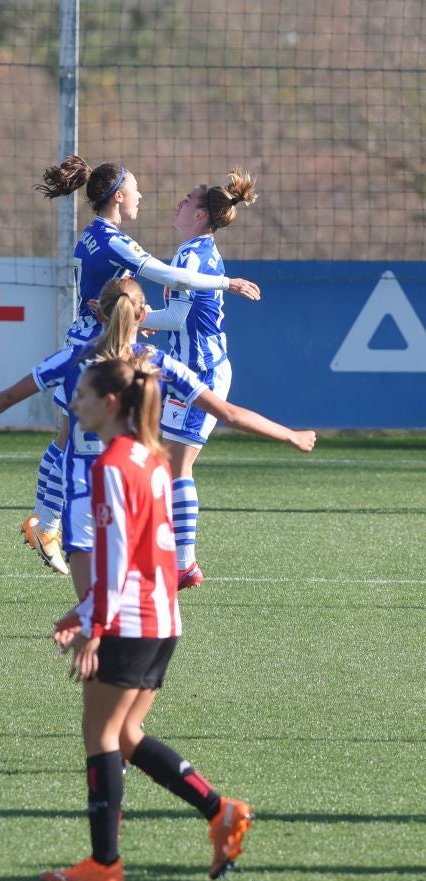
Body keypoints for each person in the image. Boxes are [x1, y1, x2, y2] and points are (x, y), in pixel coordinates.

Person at [0, 278, 316, 600]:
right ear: (144, 316)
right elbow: (229, 413)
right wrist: (290, 435)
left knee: (95, 614)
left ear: (100, 311)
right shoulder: (157, 363)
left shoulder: (72, 359)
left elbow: (3, 399)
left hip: (83, 500)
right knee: (133, 614)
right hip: (136, 499)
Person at [39, 357, 253, 881]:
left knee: (102, 733)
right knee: (127, 731)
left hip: (129, 618)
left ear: (111, 403)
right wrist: (82, 611)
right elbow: (139, 551)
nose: (75, 403)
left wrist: (94, 626)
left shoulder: (110, 464)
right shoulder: (151, 457)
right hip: (162, 618)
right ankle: (219, 811)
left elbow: (112, 557)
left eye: (84, 395)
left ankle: (105, 863)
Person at [22, 156, 262, 567]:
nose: (141, 196)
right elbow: (172, 277)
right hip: (97, 348)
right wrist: (227, 282)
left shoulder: (93, 235)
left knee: (79, 438)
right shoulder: (115, 239)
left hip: (95, 339)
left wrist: (134, 317)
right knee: (86, 444)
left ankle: (51, 525)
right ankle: (54, 527)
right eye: (134, 189)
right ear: (118, 196)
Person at [141, 167, 258, 589]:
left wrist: (135, 318)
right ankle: (170, 554)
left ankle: (184, 564)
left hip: (202, 371)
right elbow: (180, 319)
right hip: (186, 367)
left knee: (177, 464)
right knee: (163, 461)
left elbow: (177, 315)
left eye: (188, 199)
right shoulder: (194, 249)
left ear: (203, 215)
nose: (180, 202)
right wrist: (150, 320)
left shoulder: (192, 256)